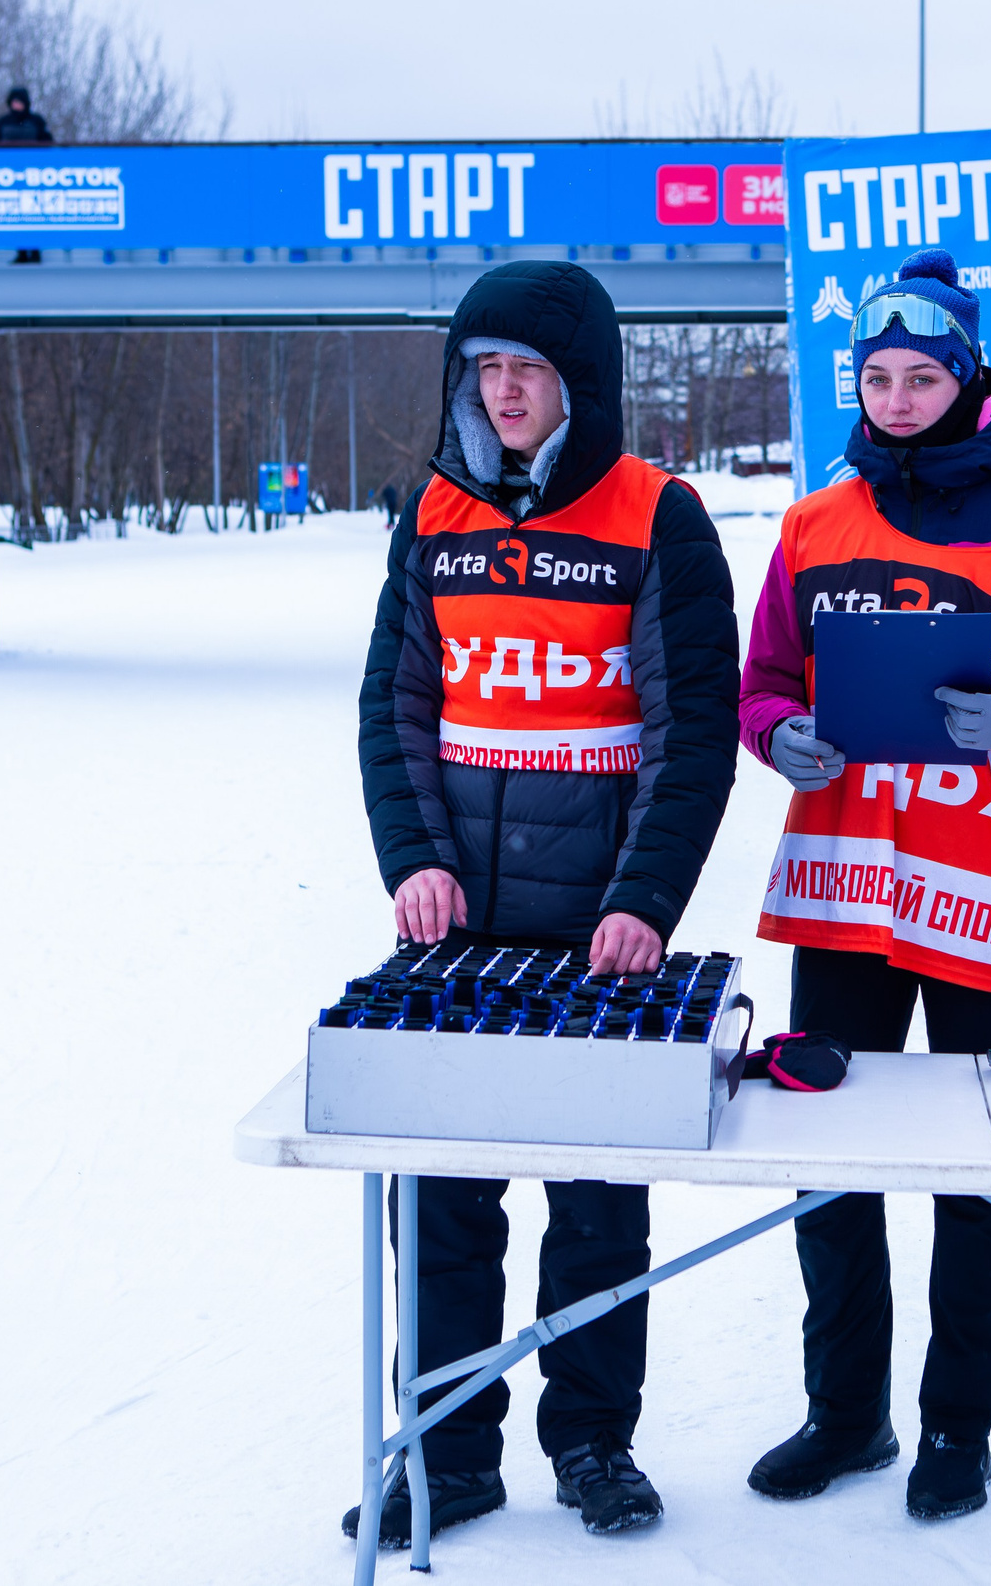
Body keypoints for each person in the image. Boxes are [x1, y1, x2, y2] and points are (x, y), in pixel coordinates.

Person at [355, 259, 740, 1550]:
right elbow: (395, 704)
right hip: (457, 932)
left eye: (527, 368)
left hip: (600, 932)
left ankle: (591, 1439)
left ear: (581, 378)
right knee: (443, 1200)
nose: (505, 391)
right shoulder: (434, 511)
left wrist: (642, 897)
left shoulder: (658, 518)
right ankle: (451, 1450)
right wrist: (412, 855)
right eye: (486, 369)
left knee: (597, 1205)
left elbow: (694, 732)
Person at [740, 249, 991, 1521]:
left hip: (981, 892)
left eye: (922, 376)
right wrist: (775, 734)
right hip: (848, 889)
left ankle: (956, 1428)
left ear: (966, 382)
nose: (897, 398)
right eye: (878, 376)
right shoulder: (813, 524)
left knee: (978, 1168)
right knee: (830, 1161)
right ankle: (843, 1416)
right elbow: (764, 687)